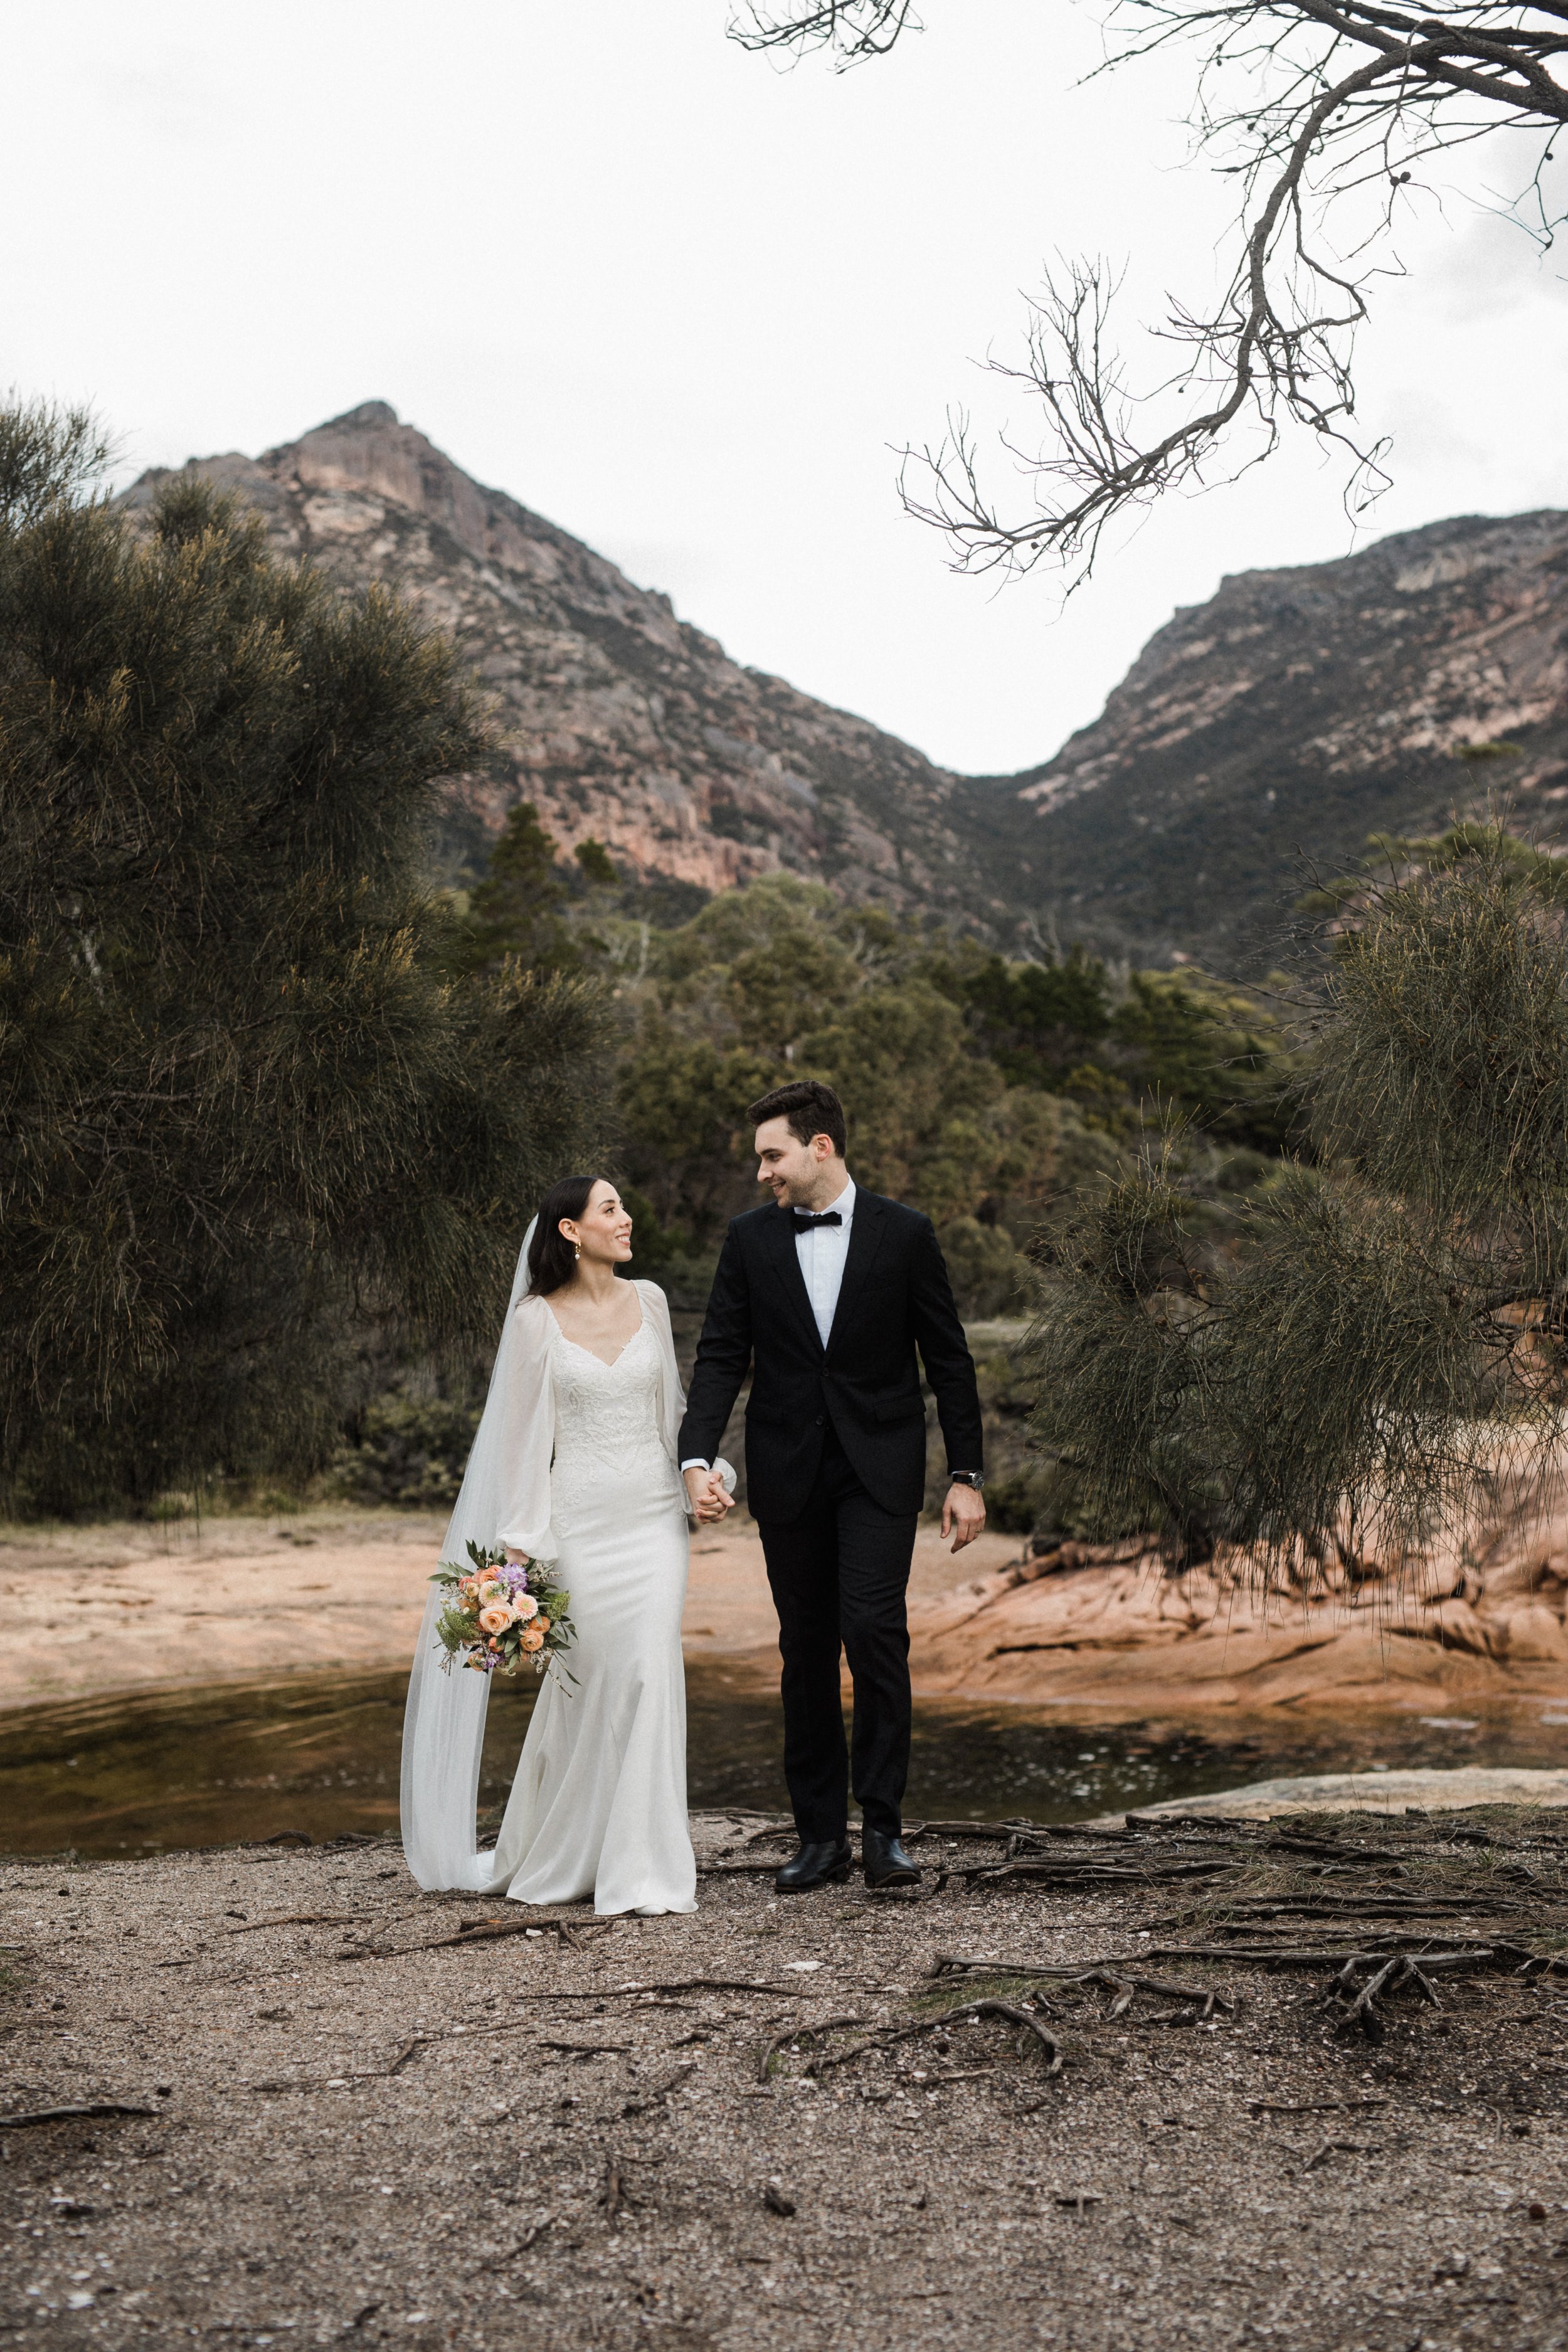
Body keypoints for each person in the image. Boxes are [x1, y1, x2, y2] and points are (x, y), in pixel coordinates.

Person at [678, 1080, 985, 1894]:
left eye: (771, 1155)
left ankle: (883, 1831)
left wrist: (965, 1475)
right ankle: (820, 1838)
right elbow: (719, 1355)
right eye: (757, 1159)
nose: (761, 1173)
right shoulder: (749, 1240)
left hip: (879, 1469)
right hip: (787, 1472)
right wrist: (696, 1457)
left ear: (821, 1147)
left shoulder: (906, 1233)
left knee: (875, 1634)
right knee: (803, 1649)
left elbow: (949, 1360)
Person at [400, 1176, 729, 1914]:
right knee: (588, 1689)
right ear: (572, 1230)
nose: (627, 1217)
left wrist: (701, 1476)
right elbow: (520, 1448)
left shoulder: (649, 1301)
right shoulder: (533, 1321)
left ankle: (642, 1870)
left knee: (648, 1670)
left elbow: (670, 1414)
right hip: (581, 1524)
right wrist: (519, 1557)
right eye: (610, 1208)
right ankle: (568, 1849)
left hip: (651, 1520)